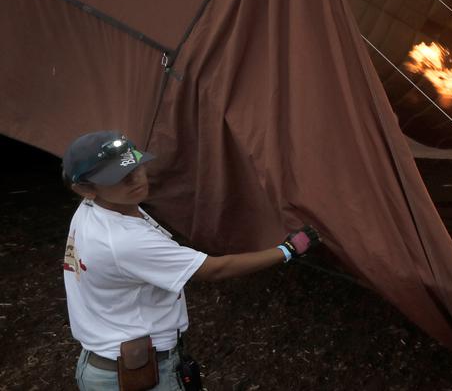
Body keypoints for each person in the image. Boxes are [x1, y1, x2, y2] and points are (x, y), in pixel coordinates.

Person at [62, 131, 321, 390]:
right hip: (133, 377)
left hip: (110, 363)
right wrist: (287, 250)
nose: (134, 178)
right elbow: (214, 269)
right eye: (117, 176)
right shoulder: (124, 241)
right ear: (86, 189)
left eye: (134, 165)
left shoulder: (95, 209)